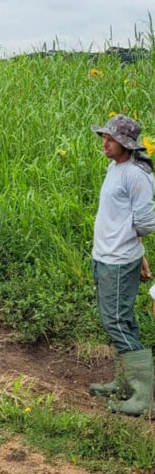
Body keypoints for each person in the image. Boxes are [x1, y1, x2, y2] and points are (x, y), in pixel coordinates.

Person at [88, 114, 155, 416]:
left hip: (117, 261)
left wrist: (133, 251)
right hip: (106, 256)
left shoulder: (136, 175)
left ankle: (141, 395)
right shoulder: (115, 167)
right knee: (122, 320)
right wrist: (139, 254)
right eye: (104, 137)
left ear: (125, 145)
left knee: (115, 321)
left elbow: (145, 223)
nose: (105, 143)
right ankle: (124, 383)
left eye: (110, 139)